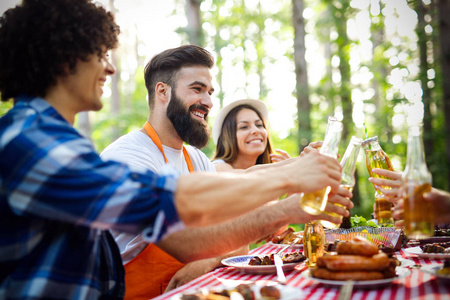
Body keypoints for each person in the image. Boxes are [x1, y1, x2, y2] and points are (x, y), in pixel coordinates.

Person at [0, 1, 345, 298]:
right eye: (100, 53)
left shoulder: (50, 137)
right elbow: (165, 208)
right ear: (63, 58)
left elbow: (215, 198)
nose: (110, 67)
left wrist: (292, 176)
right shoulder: (33, 142)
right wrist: (289, 184)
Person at [100, 45, 354, 298]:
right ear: (163, 91)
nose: (209, 102)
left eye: (210, 92)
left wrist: (299, 164)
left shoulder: (195, 158)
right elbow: (183, 241)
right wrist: (291, 199)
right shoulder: (128, 156)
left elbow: (239, 183)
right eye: (197, 89)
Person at [211, 99, 290, 171]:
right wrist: (291, 168)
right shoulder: (218, 167)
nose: (256, 130)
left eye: (259, 125)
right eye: (244, 127)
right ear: (227, 138)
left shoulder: (271, 171)